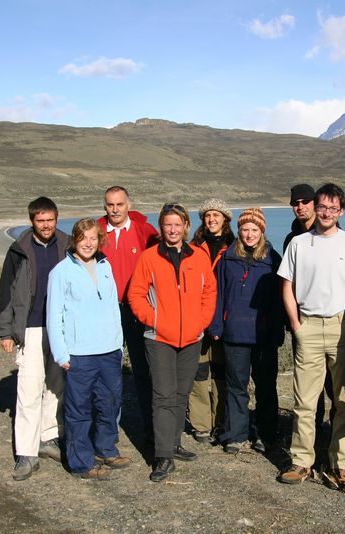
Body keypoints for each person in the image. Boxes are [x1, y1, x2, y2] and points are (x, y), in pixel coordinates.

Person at [277, 183, 345, 487]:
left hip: (343, 326)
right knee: (305, 401)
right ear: (315, 208)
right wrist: (297, 325)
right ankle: (302, 461)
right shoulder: (299, 243)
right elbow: (286, 285)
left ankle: (342, 464)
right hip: (309, 326)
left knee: (343, 400)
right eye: (322, 207)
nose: (326, 213)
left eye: (333, 208)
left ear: (341, 211)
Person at [127, 203, 217, 482]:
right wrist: (153, 320)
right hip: (159, 338)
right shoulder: (149, 258)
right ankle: (163, 455)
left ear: (186, 226)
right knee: (163, 395)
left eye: (178, 224)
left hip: (191, 338)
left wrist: (200, 323)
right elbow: (136, 295)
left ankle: (174, 442)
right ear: (161, 226)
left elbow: (209, 291)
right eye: (168, 224)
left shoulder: (198, 257)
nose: (173, 229)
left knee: (180, 394)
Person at [47, 218, 130, 480]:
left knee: (109, 403)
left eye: (93, 238)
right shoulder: (61, 272)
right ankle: (81, 462)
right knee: (79, 410)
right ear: (75, 239)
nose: (88, 243)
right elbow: (54, 316)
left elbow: (112, 308)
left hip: (109, 351)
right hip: (79, 354)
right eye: (83, 238)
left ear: (99, 240)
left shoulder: (105, 265)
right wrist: (61, 353)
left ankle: (106, 448)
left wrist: (118, 342)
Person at [0, 197, 67, 481]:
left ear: (56, 218)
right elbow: (5, 290)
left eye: (50, 220)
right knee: (28, 390)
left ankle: (48, 438)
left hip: (60, 327)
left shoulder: (67, 244)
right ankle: (26, 453)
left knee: (56, 385)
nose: (46, 225)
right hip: (31, 327)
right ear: (32, 221)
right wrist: (5, 331)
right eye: (41, 220)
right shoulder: (18, 250)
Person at [209, 208, 284, 454]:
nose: (249, 234)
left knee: (265, 386)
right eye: (245, 229)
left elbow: (281, 298)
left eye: (254, 230)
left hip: (263, 335)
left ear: (262, 231)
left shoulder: (273, 259)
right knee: (236, 386)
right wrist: (217, 324)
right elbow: (218, 294)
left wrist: (277, 329)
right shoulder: (227, 258)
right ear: (239, 231)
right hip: (234, 333)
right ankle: (235, 434)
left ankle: (266, 433)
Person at [96, 186, 159, 439]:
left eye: (119, 204)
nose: (115, 209)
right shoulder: (96, 231)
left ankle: (151, 426)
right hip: (105, 311)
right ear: (105, 207)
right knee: (107, 369)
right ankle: (107, 427)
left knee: (143, 369)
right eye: (110, 205)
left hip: (136, 309)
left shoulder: (145, 231)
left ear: (128, 205)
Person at [188, 199, 234, 444]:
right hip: (198, 321)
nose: (211, 219)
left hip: (225, 321)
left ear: (225, 219)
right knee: (198, 373)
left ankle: (221, 420)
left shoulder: (235, 247)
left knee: (221, 373)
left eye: (216, 215)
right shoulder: (194, 248)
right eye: (207, 215)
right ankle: (201, 424)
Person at [282, 183, 316, 253]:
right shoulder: (290, 239)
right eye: (295, 203)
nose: (300, 207)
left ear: (315, 204)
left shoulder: (328, 234)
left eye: (305, 202)